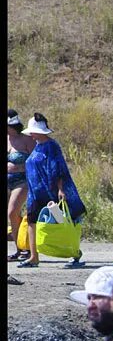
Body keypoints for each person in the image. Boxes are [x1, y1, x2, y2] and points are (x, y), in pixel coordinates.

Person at [18, 115, 86, 269]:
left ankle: (75, 253)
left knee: (62, 222)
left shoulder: (52, 146)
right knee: (32, 220)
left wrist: (61, 189)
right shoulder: (38, 146)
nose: (31, 135)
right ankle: (34, 257)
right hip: (35, 193)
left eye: (34, 132)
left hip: (50, 191)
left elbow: (58, 168)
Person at [8, 109, 38, 260]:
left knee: (12, 211)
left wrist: (21, 168)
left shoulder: (26, 139)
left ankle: (24, 247)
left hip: (22, 180)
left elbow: (36, 160)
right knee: (13, 215)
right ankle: (20, 249)